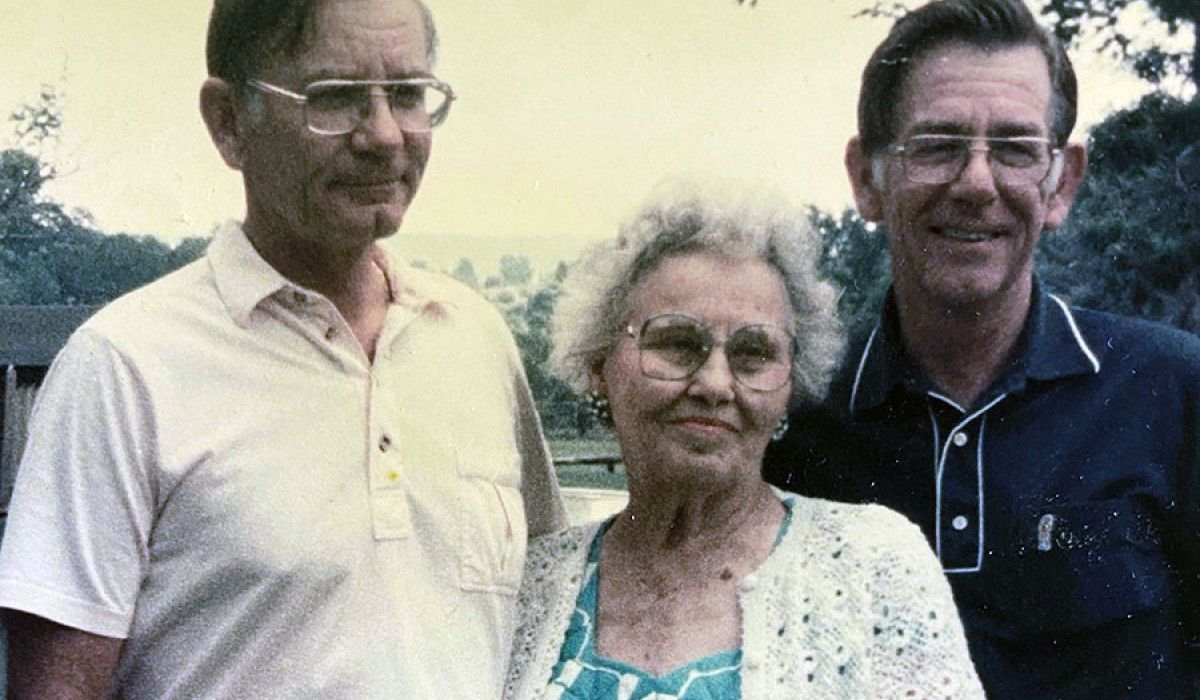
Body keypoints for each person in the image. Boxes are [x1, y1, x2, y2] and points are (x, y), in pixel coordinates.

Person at [0, 0, 565, 697]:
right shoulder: (126, 366)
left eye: (409, 94)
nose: (386, 136)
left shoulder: (474, 340)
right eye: (336, 99)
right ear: (229, 123)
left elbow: (546, 614)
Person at [763, 0, 1200, 697]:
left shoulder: (1172, 390)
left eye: (1016, 149)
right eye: (936, 145)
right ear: (865, 179)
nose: (975, 183)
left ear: (1063, 183)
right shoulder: (795, 416)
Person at [504, 185, 984, 699]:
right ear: (599, 364)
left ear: (790, 385)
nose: (715, 384)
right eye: (676, 342)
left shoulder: (874, 570)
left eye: (754, 352)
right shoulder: (527, 587)